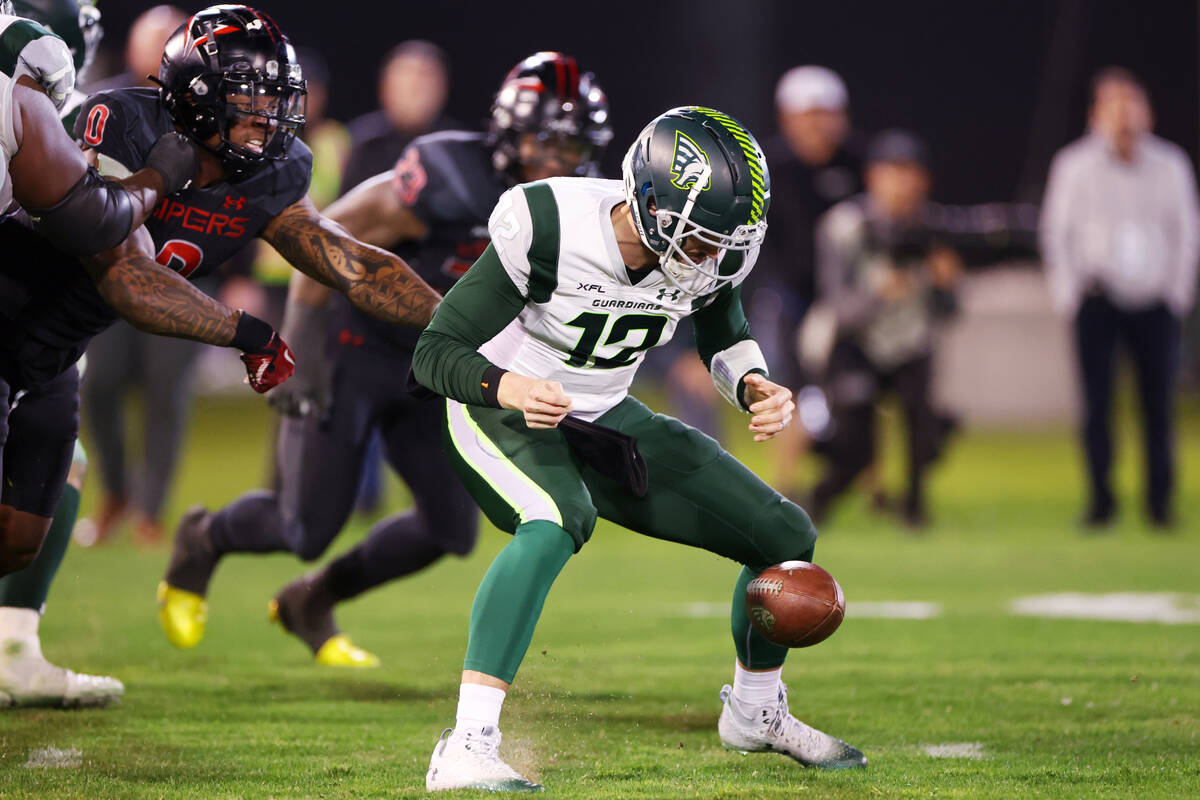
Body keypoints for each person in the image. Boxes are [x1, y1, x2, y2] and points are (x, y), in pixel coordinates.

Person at [412, 106, 866, 792]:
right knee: (555, 522)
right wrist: (507, 387)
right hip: (500, 409)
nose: (712, 255)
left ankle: (754, 712)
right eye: (700, 237)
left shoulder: (713, 253)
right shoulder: (550, 224)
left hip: (605, 414)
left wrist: (751, 385)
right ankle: (467, 744)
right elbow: (433, 352)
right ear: (650, 203)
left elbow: (722, 331)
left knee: (783, 533)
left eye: (725, 240)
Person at [158, 52, 614, 668]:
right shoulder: (449, 170)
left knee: (449, 529)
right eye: (546, 143)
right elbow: (327, 236)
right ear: (510, 129)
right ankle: (203, 538)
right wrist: (305, 342)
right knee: (306, 528)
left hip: (432, 368)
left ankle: (311, 601)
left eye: (573, 148)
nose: (559, 161)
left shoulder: (573, 207)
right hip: (356, 349)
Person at [125, 5, 441, 662]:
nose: (266, 113)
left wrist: (455, 325)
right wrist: (251, 331)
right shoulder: (125, 126)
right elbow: (125, 278)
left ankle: (305, 599)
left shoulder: (273, 171)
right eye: (248, 97)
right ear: (196, 93)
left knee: (22, 533)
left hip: (386, 353)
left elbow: (352, 263)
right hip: (34, 323)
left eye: (274, 97)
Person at [0, 0, 290, 707]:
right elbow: (95, 222)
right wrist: (158, 179)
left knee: (36, 508)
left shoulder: (22, 103)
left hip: (47, 336)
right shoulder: (34, 100)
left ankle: (12, 650)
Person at [1040, 67, 1200, 529]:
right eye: (1114, 106)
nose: (1124, 116)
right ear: (1096, 115)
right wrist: (1069, 297)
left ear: (1147, 113)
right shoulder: (1074, 165)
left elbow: (1185, 232)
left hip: (1155, 302)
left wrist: (1176, 296)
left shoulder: (1171, 164)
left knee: (1158, 407)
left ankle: (1159, 504)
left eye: (1132, 105)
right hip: (1097, 300)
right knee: (1096, 407)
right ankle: (1101, 501)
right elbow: (1058, 234)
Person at [76, 4, 198, 546]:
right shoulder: (106, 102)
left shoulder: (203, 106)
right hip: (112, 270)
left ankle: (150, 509)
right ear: (131, 47)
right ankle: (117, 492)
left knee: (165, 392)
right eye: (150, 39)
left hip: (183, 270)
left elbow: (234, 196)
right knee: (98, 384)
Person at [807, 130, 962, 528]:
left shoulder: (935, 226)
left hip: (911, 341)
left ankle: (915, 508)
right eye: (893, 172)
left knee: (924, 430)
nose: (902, 183)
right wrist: (879, 293)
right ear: (873, 176)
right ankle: (816, 499)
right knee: (855, 447)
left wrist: (947, 285)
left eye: (910, 173)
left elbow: (950, 310)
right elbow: (836, 305)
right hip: (855, 342)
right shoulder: (844, 226)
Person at [748, 66, 863, 499]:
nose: (818, 123)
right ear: (788, 117)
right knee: (787, 387)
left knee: (862, 392)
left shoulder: (860, 162)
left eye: (826, 112)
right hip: (789, 296)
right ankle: (784, 485)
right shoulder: (766, 167)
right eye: (808, 113)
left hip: (853, 299)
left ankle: (873, 487)